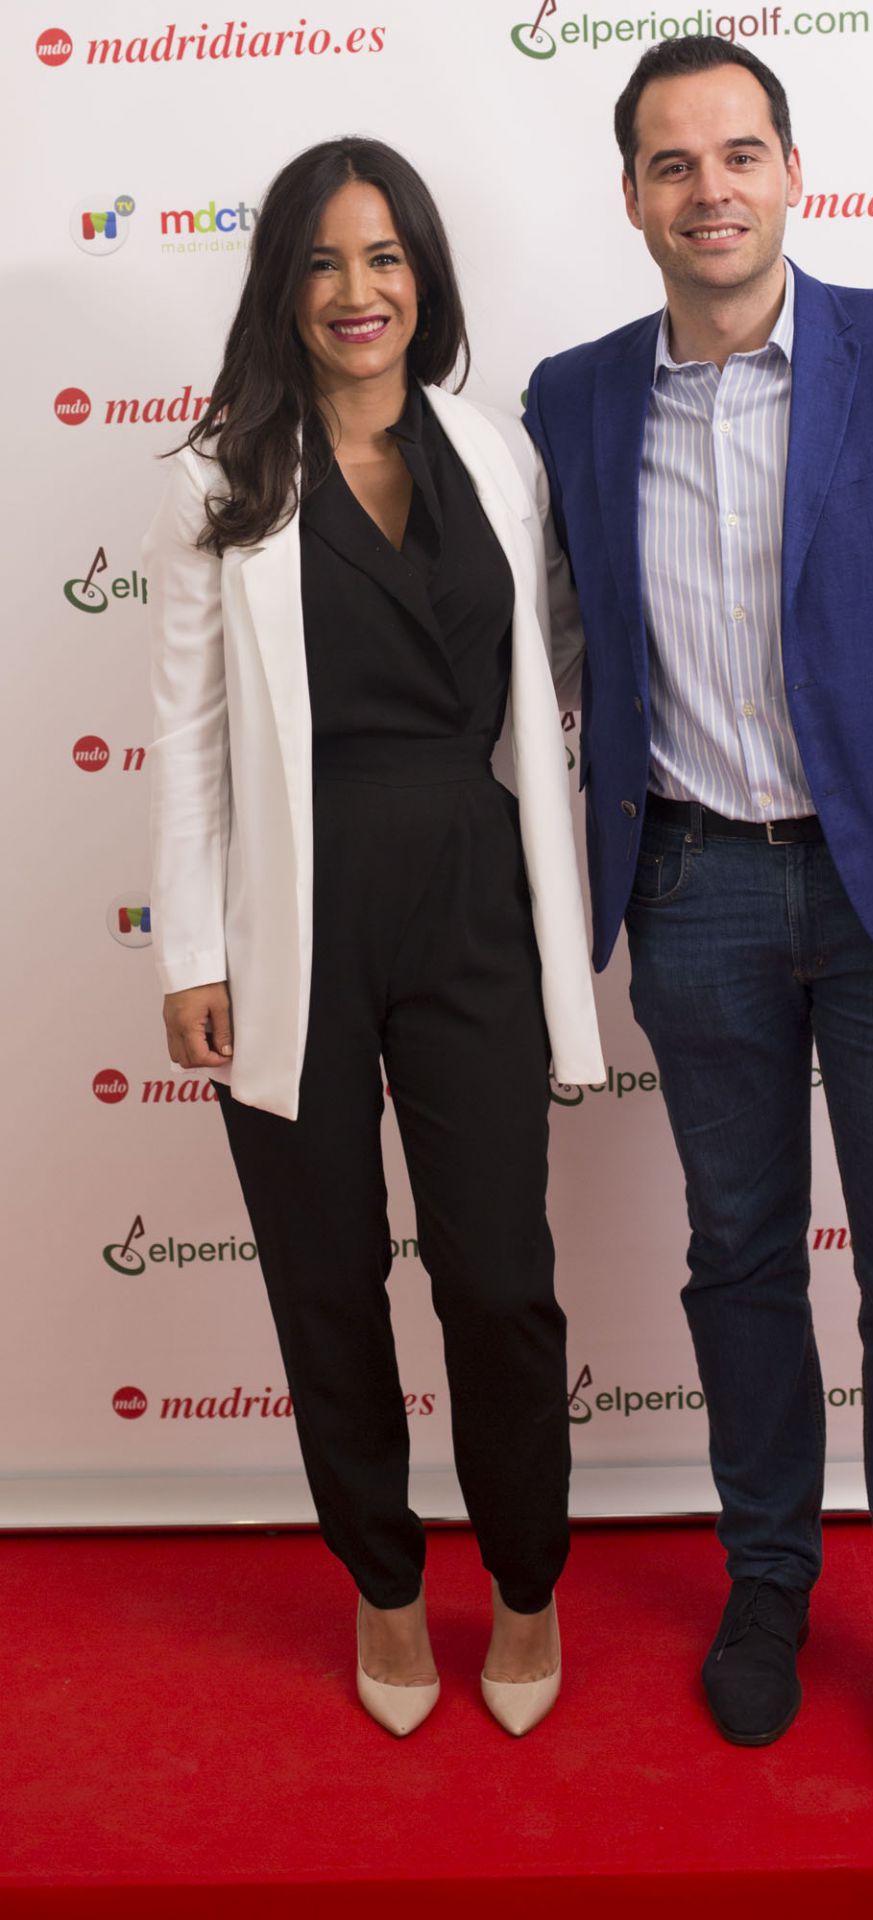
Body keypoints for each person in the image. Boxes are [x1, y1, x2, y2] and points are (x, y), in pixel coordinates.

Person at [523, 38, 873, 1815]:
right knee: (739, 1260)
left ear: (794, 168)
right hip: (693, 887)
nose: (711, 189)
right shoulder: (575, 399)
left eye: (739, 152)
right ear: (632, 199)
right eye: (673, 164)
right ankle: (767, 1581)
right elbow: (549, 655)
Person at [143, 137, 604, 1741]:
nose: (361, 291)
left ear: (426, 277)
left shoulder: (494, 452)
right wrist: (190, 955)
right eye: (328, 262)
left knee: (499, 1278)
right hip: (292, 923)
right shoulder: (220, 479)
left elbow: (546, 695)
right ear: (285, 284)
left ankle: (528, 1583)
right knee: (326, 1282)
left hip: (468, 898)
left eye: (388, 256)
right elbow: (187, 738)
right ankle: (387, 1589)